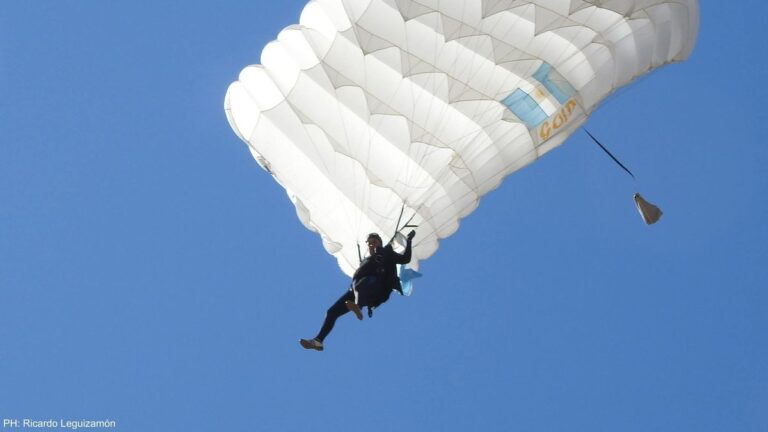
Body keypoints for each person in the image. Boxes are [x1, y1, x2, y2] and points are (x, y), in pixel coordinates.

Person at [299, 230, 415, 351]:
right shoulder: (365, 260)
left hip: (376, 288)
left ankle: (358, 307)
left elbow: (405, 259)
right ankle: (318, 341)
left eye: (375, 242)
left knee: (361, 284)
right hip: (355, 289)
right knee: (331, 312)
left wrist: (409, 241)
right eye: (370, 242)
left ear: (380, 243)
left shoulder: (386, 252)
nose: (372, 244)